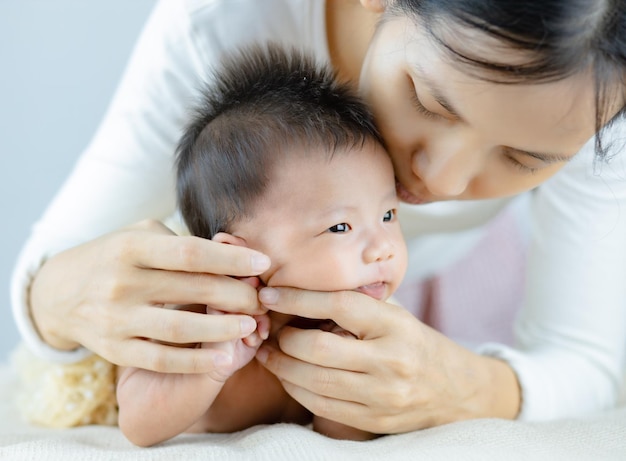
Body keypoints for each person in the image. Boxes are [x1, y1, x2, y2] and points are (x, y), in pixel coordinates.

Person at [11, 0, 626, 435]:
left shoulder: (596, 105)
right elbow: (52, 267)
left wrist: (462, 384)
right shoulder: (226, 20)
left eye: (522, 158)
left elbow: (587, 360)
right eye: (429, 101)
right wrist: (62, 298)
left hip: (445, 286)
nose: (441, 181)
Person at [116, 44, 407, 446]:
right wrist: (213, 361)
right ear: (239, 257)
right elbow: (136, 426)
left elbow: (347, 441)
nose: (383, 248)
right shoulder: (195, 317)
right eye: (340, 227)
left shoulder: (366, 330)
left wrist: (346, 384)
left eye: (388, 216)